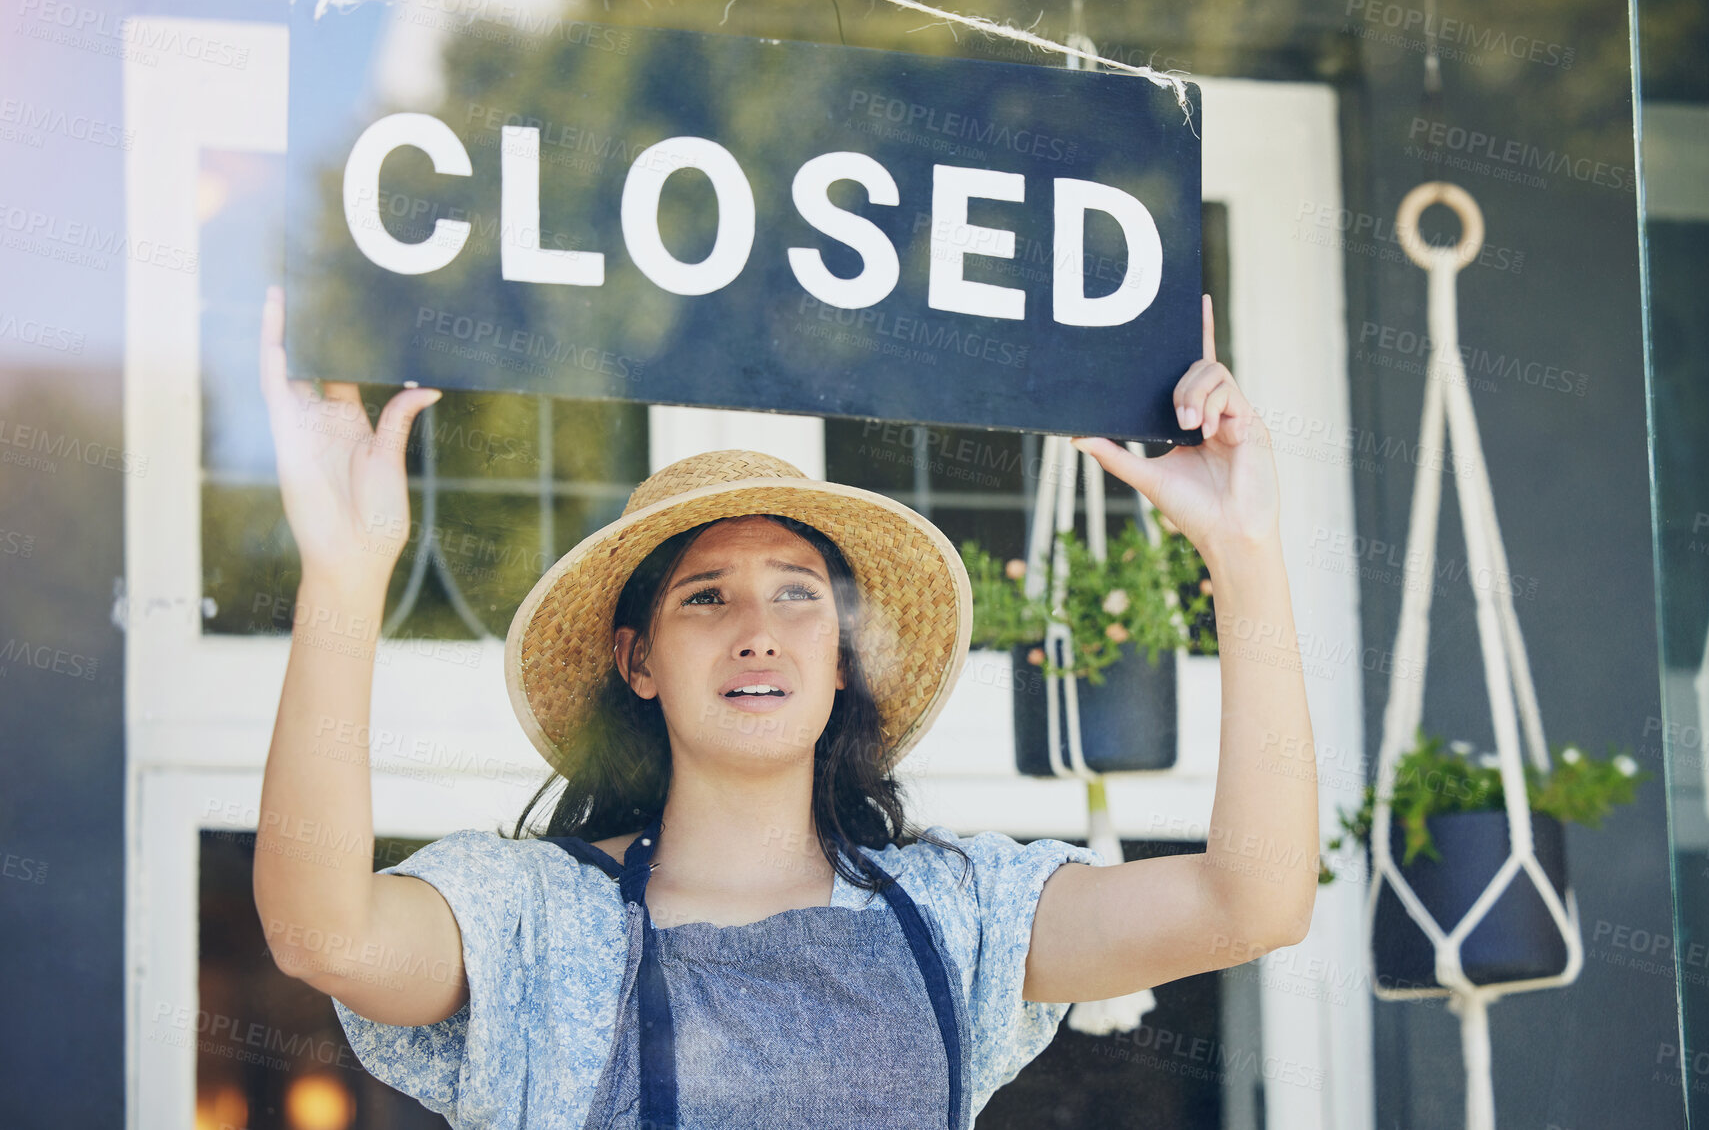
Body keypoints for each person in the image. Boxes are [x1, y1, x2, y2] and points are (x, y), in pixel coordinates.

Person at [252, 286, 1318, 1129]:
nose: (757, 628)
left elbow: (1257, 902)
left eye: (799, 594)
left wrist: (1244, 548)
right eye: (705, 598)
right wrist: (346, 572)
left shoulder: (963, 912)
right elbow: (322, 934)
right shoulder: (534, 919)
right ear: (639, 661)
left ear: (843, 656)